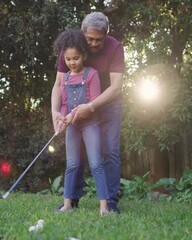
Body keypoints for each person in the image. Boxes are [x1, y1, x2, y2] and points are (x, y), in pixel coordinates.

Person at [51, 12, 125, 213]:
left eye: (98, 39)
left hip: (108, 104)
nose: (93, 43)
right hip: (78, 106)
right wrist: (55, 112)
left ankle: (109, 203)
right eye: (90, 38)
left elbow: (116, 87)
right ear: (83, 34)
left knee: (109, 150)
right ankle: (71, 200)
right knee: (77, 156)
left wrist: (91, 107)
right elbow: (59, 83)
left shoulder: (115, 48)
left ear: (106, 35)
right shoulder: (72, 45)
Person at [53, 29, 110, 215]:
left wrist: (72, 115)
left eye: (76, 58)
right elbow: (63, 103)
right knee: (72, 164)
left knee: (95, 163)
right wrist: (61, 118)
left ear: (83, 55)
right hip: (72, 127)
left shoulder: (91, 74)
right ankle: (67, 204)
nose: (72, 63)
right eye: (68, 59)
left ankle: (104, 207)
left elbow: (92, 103)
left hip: (90, 125)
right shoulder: (66, 78)